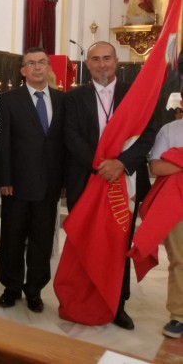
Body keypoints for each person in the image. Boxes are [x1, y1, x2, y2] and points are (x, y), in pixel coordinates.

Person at [63, 41, 156, 329]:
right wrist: (100, 165)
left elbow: (148, 133)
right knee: (87, 241)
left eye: (107, 58)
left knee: (119, 244)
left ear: (117, 61)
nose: (102, 64)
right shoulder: (74, 97)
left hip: (124, 181)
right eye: (95, 59)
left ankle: (118, 303)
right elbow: (71, 135)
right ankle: (85, 296)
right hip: (88, 180)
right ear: (87, 64)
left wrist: (121, 163)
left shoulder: (134, 94)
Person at [0, 48, 65, 312]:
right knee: (12, 238)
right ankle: (11, 288)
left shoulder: (61, 100)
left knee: (41, 240)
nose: (37, 68)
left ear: (48, 68)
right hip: (17, 184)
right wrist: (5, 178)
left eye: (42, 63)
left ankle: (34, 290)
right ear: (23, 70)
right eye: (31, 64)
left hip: (49, 185)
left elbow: (63, 144)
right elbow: (3, 142)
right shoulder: (9, 100)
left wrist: (64, 182)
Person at [147, 97, 183, 338]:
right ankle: (179, 315)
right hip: (176, 204)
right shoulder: (170, 130)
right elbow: (156, 167)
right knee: (180, 260)